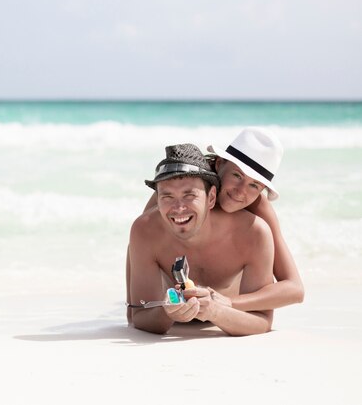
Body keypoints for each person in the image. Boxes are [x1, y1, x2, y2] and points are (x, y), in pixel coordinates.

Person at [129, 128, 304, 313]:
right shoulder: (181, 186)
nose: (240, 191)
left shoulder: (258, 207)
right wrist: (133, 309)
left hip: (219, 297)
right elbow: (141, 241)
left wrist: (226, 303)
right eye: (237, 175)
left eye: (254, 185)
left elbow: (295, 289)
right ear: (219, 163)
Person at [127, 143, 275, 336]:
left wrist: (215, 311)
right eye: (167, 196)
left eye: (189, 195)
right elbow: (137, 317)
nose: (179, 208)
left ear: (211, 197)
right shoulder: (144, 229)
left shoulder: (254, 233)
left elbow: (262, 321)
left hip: (228, 312)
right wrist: (168, 313)